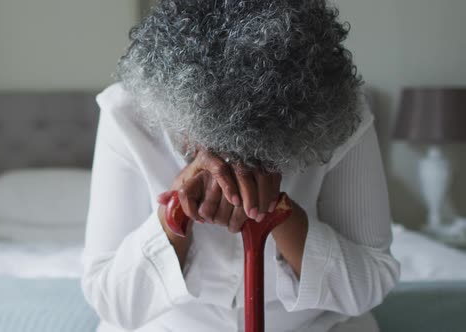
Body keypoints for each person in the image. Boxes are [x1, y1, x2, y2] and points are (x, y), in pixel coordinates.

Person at [82, 1, 400, 331]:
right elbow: (112, 302)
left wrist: (280, 215)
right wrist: (175, 211)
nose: (233, 166)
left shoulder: (341, 111)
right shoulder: (127, 113)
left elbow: (370, 285)